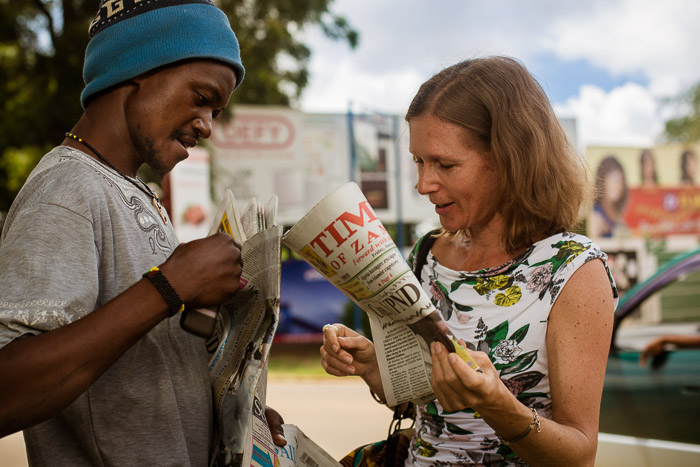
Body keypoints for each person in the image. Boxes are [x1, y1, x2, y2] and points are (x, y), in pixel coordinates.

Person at [0, 1, 285, 465]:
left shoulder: (131, 190)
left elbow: (145, 364)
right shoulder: (68, 190)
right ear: (136, 71)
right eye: (201, 98)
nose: (207, 126)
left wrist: (233, 418)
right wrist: (168, 287)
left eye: (215, 110)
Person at [320, 56, 617, 466]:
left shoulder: (575, 271)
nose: (424, 184)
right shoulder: (427, 253)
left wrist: (498, 405)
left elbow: (579, 455)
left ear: (511, 159)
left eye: (446, 164)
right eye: (419, 161)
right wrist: (375, 368)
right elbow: (423, 408)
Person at [590, 155, 628, 238]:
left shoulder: (616, 212)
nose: (619, 186)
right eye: (615, 180)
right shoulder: (597, 215)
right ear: (602, 180)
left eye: (621, 181)